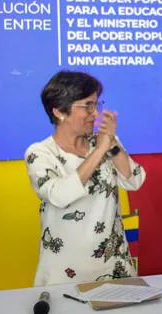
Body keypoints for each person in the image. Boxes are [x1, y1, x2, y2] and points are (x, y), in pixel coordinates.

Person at [25, 71, 146, 286]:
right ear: (60, 111)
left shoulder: (104, 141)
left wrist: (113, 146)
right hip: (65, 272)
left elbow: (134, 180)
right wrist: (99, 151)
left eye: (97, 105)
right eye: (88, 106)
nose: (95, 113)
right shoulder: (40, 153)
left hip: (115, 266)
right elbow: (59, 195)